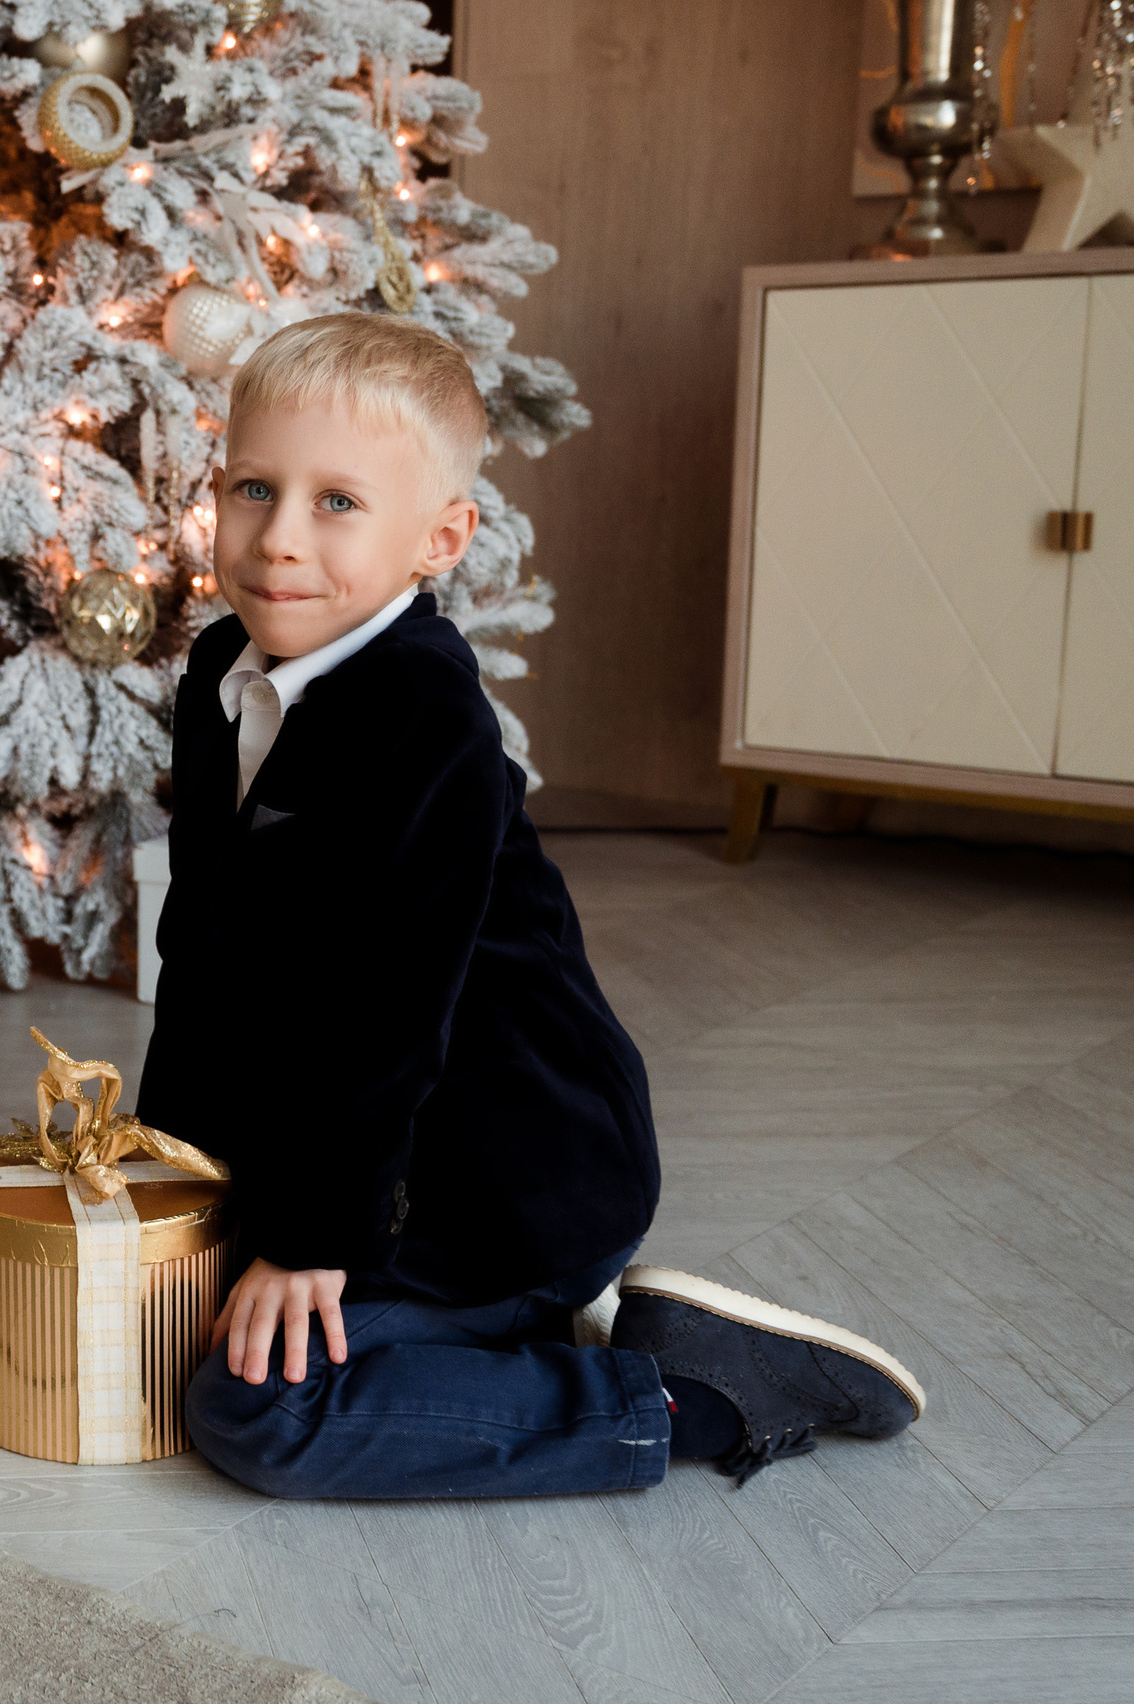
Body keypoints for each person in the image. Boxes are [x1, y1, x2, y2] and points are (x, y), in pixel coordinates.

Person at [139, 314, 923, 1494]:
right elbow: (200, 945)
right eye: (254, 487)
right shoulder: (221, 674)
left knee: (257, 1409)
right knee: (165, 1309)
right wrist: (169, 1169)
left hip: (505, 1182)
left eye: (337, 502)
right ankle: (529, 1337)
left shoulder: (422, 718)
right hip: (360, 1157)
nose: (277, 540)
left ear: (439, 538)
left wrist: (307, 1243)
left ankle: (680, 1394)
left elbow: (386, 1018)